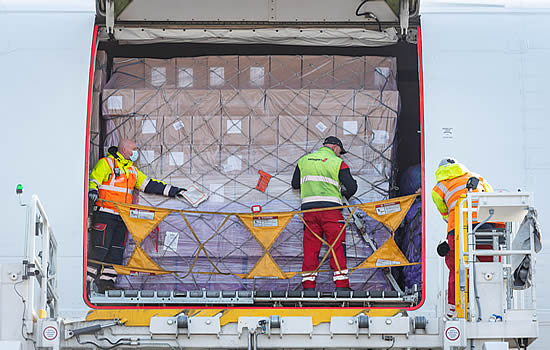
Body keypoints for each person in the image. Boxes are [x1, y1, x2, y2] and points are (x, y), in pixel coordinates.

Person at [87, 139, 186, 293]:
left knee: (116, 251)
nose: (136, 152)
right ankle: (87, 281)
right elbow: (94, 179)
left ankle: (106, 283)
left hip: (122, 217)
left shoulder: (132, 171)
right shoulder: (107, 163)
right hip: (106, 214)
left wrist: (175, 191)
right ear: (125, 149)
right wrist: (92, 190)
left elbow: (150, 184)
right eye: (134, 149)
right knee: (100, 249)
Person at [291, 136, 357, 291]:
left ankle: (308, 287)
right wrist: (342, 194)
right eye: (340, 151)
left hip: (309, 212)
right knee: (337, 246)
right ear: (335, 147)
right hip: (331, 211)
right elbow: (352, 187)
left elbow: (295, 184)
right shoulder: (337, 163)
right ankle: (341, 286)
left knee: (310, 248)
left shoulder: (303, 161)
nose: (340, 155)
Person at [431, 158, 494, 317]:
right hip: (484, 225)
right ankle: (490, 303)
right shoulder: (478, 178)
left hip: (459, 227)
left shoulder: (439, 188)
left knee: (456, 265)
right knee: (488, 264)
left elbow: (445, 213)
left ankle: (454, 306)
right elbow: (491, 198)